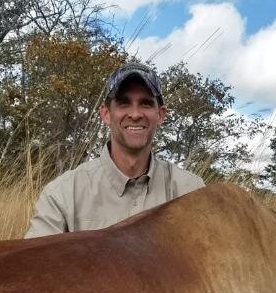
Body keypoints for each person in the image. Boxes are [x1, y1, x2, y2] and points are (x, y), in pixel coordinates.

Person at [24, 61, 204, 238]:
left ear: (161, 114)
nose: (135, 114)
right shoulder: (63, 194)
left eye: (146, 103)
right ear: (106, 114)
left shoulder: (191, 192)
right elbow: (35, 264)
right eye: (124, 103)